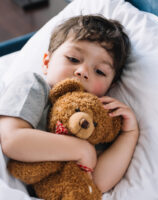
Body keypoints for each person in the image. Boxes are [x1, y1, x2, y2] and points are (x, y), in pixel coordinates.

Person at [0, 15, 139, 193]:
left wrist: (129, 134)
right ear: (47, 62)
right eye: (73, 59)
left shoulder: (93, 119)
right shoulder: (34, 86)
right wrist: (82, 150)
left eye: (99, 71)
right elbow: (12, 140)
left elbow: (95, 184)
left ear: (110, 87)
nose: (82, 72)